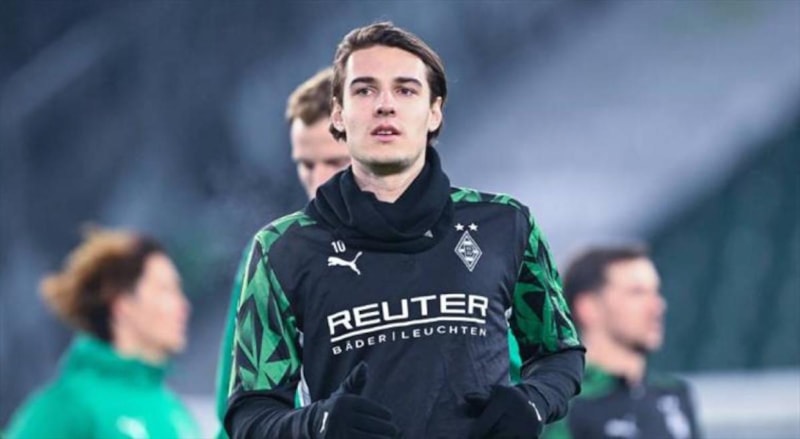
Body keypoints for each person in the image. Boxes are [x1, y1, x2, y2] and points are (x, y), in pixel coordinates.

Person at [224, 22, 585, 439]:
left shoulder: (506, 223)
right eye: (364, 90)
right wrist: (316, 425)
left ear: (434, 112)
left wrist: (534, 402)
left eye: (406, 90)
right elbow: (249, 415)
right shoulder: (282, 249)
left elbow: (560, 353)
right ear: (338, 113)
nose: (385, 105)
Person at [213, 67, 350, 438]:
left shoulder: (448, 236)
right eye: (307, 164)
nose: (317, 180)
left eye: (334, 162)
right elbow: (238, 411)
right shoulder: (274, 257)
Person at [5, 228, 199, 439]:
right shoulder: (69, 405)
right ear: (123, 304)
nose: (183, 306)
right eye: (165, 290)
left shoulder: (175, 413)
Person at [542, 245, 701, 439]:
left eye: (656, 292)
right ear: (589, 307)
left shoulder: (674, 393)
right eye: (637, 293)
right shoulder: (562, 405)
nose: (658, 306)